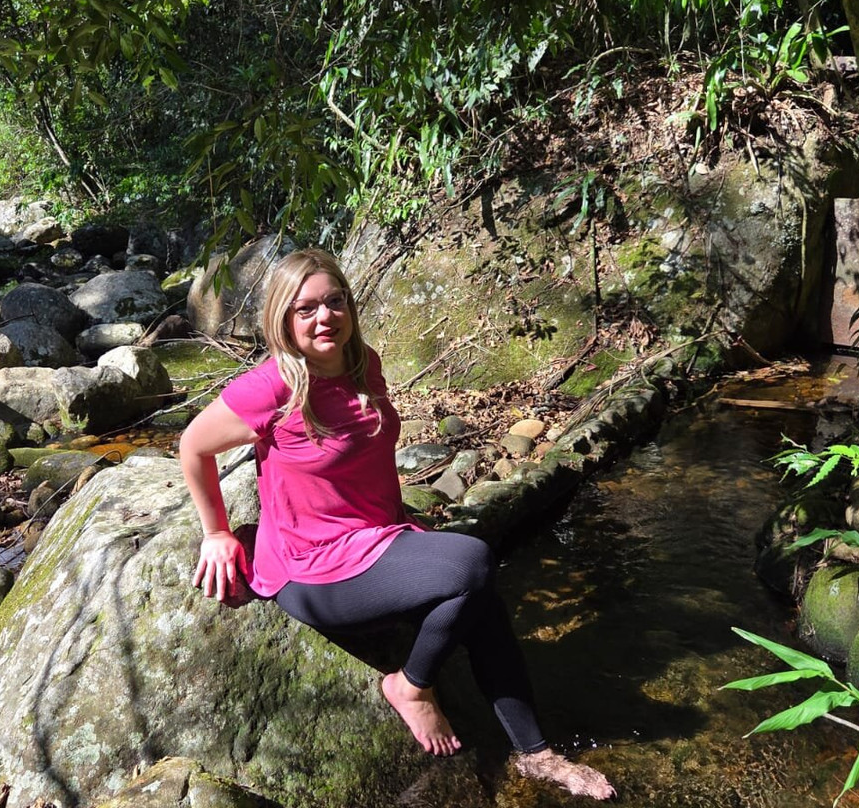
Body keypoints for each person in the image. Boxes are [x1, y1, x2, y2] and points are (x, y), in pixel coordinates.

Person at [179, 247, 615, 800]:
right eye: (305, 308)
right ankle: (410, 686)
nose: (324, 317)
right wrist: (216, 532)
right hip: (312, 570)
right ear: (282, 319)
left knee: (480, 598)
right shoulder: (272, 387)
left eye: (335, 302)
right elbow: (192, 446)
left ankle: (536, 754)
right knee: (472, 561)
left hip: (378, 539)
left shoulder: (365, 364)